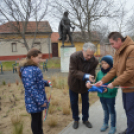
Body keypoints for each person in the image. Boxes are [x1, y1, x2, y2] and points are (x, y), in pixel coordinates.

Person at [96, 32, 134, 134]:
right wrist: (102, 80)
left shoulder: (131, 49)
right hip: (125, 87)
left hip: (132, 88)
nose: (112, 46)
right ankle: (130, 129)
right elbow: (114, 70)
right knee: (127, 110)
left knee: (131, 111)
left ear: (119, 40)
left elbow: (130, 71)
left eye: (112, 43)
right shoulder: (118, 51)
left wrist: (114, 83)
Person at [18, 49, 50, 134]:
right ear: (32, 57)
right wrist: (40, 101)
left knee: (38, 120)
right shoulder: (29, 70)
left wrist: (46, 83)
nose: (40, 60)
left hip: (36, 100)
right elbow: (31, 88)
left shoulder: (32, 68)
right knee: (36, 121)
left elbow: (36, 82)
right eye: (39, 58)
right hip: (34, 101)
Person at [68, 42, 98, 129]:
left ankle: (85, 119)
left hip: (85, 86)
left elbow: (92, 73)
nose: (89, 58)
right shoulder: (74, 56)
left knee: (86, 102)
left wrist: (89, 82)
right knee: (74, 102)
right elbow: (73, 71)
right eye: (88, 55)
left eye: (91, 55)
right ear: (82, 51)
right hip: (73, 83)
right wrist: (86, 76)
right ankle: (76, 119)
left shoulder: (94, 61)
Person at [87, 55, 118, 134]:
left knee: (111, 111)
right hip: (101, 96)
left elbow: (116, 85)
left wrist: (108, 90)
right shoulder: (99, 72)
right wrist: (92, 86)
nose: (103, 65)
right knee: (105, 110)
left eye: (106, 63)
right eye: (102, 63)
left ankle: (113, 126)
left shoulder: (113, 73)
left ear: (110, 64)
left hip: (110, 96)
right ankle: (105, 123)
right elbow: (97, 83)